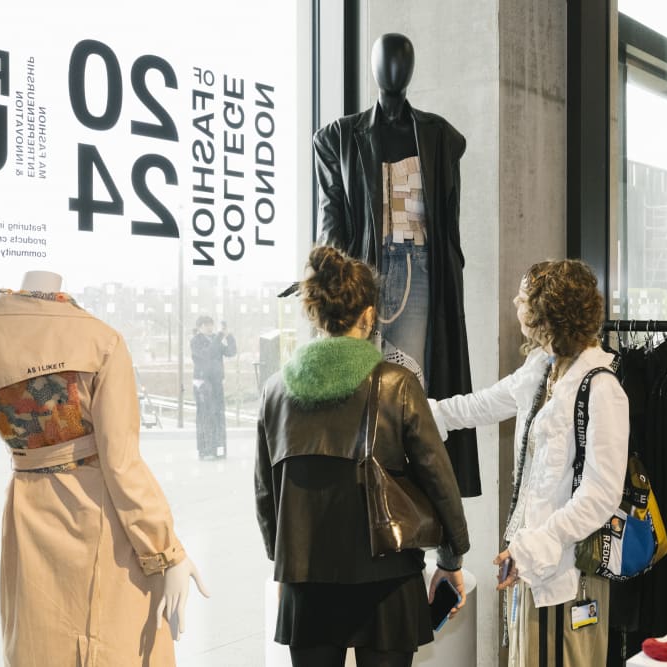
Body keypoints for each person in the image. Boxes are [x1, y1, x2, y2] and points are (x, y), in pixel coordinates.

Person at [255, 247, 470, 667]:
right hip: (387, 578)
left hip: (307, 581)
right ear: (369, 316)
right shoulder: (397, 383)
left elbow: (266, 494)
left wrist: (284, 566)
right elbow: (438, 478)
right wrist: (451, 558)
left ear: (315, 315)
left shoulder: (275, 391)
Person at [0, 270, 208, 666]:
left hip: (25, 510)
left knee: (38, 642)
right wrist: (166, 551)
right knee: (111, 643)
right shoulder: (99, 339)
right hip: (98, 516)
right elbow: (121, 463)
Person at [428, 259, 629, 666]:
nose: (515, 303)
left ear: (548, 313)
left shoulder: (601, 388)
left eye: (523, 298)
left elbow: (601, 495)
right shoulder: (543, 368)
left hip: (568, 574)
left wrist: (535, 546)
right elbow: (482, 405)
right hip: (530, 565)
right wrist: (419, 413)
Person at [313, 32, 481, 498]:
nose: (394, 69)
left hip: (419, 270)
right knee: (360, 386)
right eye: (387, 60)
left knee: (408, 387)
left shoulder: (440, 137)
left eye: (402, 60)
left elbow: (448, 226)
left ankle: (408, 494)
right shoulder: (339, 137)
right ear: (374, 67)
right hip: (364, 274)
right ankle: (364, 491)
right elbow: (332, 220)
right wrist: (331, 285)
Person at [190, 314, 237, 459]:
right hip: (203, 383)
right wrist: (219, 337)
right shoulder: (196, 341)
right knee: (206, 416)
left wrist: (229, 336)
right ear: (199, 327)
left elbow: (231, 352)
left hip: (216, 382)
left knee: (218, 414)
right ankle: (205, 450)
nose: (210, 328)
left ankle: (219, 448)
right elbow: (207, 354)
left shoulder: (215, 339)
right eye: (206, 325)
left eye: (211, 324)